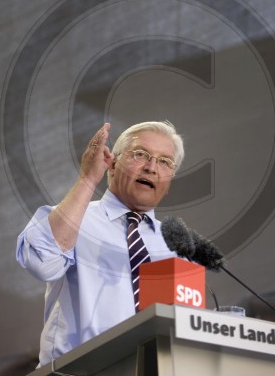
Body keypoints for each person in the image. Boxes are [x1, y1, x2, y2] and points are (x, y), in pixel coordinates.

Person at [16, 120, 184, 366]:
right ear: (112, 163)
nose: (151, 168)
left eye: (164, 161)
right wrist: (87, 179)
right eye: (140, 154)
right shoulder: (73, 218)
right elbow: (42, 263)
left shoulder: (176, 248)